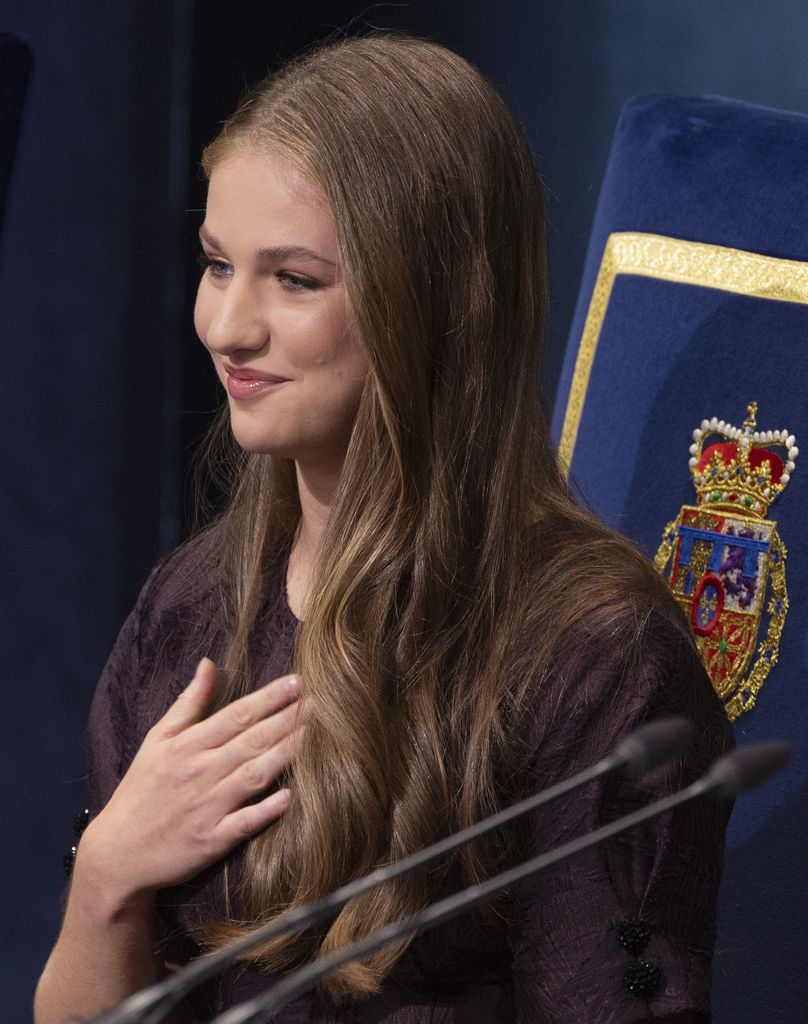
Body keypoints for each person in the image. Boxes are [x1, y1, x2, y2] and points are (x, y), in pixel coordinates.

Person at [34, 33, 732, 1024]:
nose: (228, 326)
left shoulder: (593, 656)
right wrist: (106, 879)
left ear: (438, 304)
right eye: (217, 263)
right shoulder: (191, 607)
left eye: (294, 280)